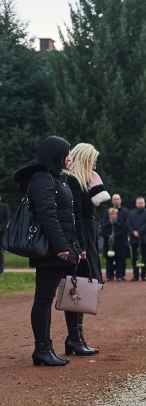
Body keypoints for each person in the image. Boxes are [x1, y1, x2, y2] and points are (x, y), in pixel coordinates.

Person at [13, 136, 79, 366]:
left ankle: (49, 347)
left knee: (49, 297)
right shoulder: (42, 179)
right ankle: (42, 349)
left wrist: (75, 247)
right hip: (50, 249)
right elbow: (47, 216)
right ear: (55, 154)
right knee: (43, 299)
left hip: (61, 247)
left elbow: (68, 218)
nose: (69, 158)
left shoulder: (57, 178)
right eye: (66, 153)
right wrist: (61, 247)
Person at [64, 142, 109, 356]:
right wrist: (80, 245)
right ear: (84, 159)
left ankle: (76, 337)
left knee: (84, 286)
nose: (95, 165)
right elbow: (76, 216)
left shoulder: (85, 181)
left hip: (88, 238)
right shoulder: (72, 181)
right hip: (81, 239)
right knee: (77, 286)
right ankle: (74, 337)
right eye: (93, 160)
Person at [102, 193, 129, 280]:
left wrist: (117, 236)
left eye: (118, 199)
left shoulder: (125, 212)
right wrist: (108, 236)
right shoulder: (106, 212)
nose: (116, 201)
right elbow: (102, 229)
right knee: (109, 260)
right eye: (114, 199)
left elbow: (125, 228)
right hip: (108, 242)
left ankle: (120, 275)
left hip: (120, 241)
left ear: (120, 200)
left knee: (120, 260)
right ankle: (109, 276)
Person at [126, 197, 146, 281]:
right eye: (139, 203)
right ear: (136, 204)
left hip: (144, 238)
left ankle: (143, 275)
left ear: (144, 203)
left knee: (144, 257)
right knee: (134, 257)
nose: (140, 204)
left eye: (142, 203)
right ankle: (135, 275)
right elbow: (128, 224)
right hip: (134, 239)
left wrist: (139, 232)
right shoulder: (131, 213)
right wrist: (133, 232)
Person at [0, 194, 9, 274]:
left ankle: (1, 270)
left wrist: (1, 228)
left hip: (1, 233)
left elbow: (6, 219)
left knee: (1, 252)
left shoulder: (5, 207)